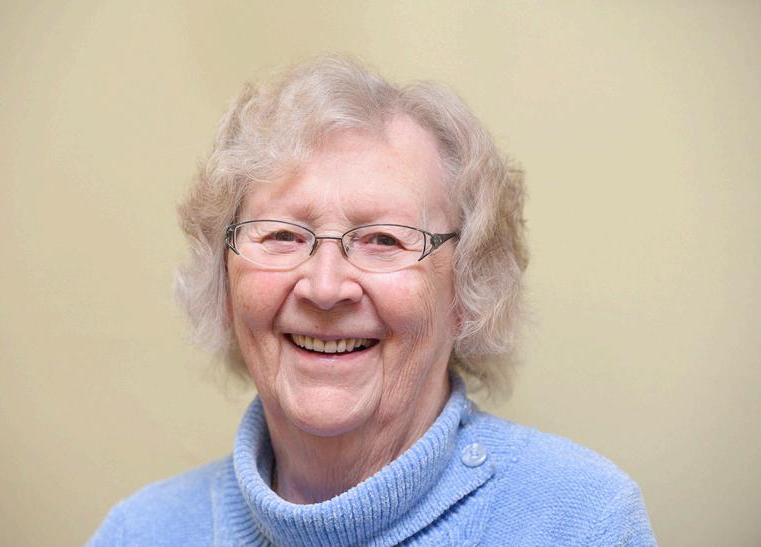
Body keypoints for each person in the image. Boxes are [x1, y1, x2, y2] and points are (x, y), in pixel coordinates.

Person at [88, 55, 656, 546]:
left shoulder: (582, 524)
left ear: (468, 289)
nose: (325, 287)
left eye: (383, 240)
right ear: (225, 279)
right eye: (282, 236)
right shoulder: (140, 534)